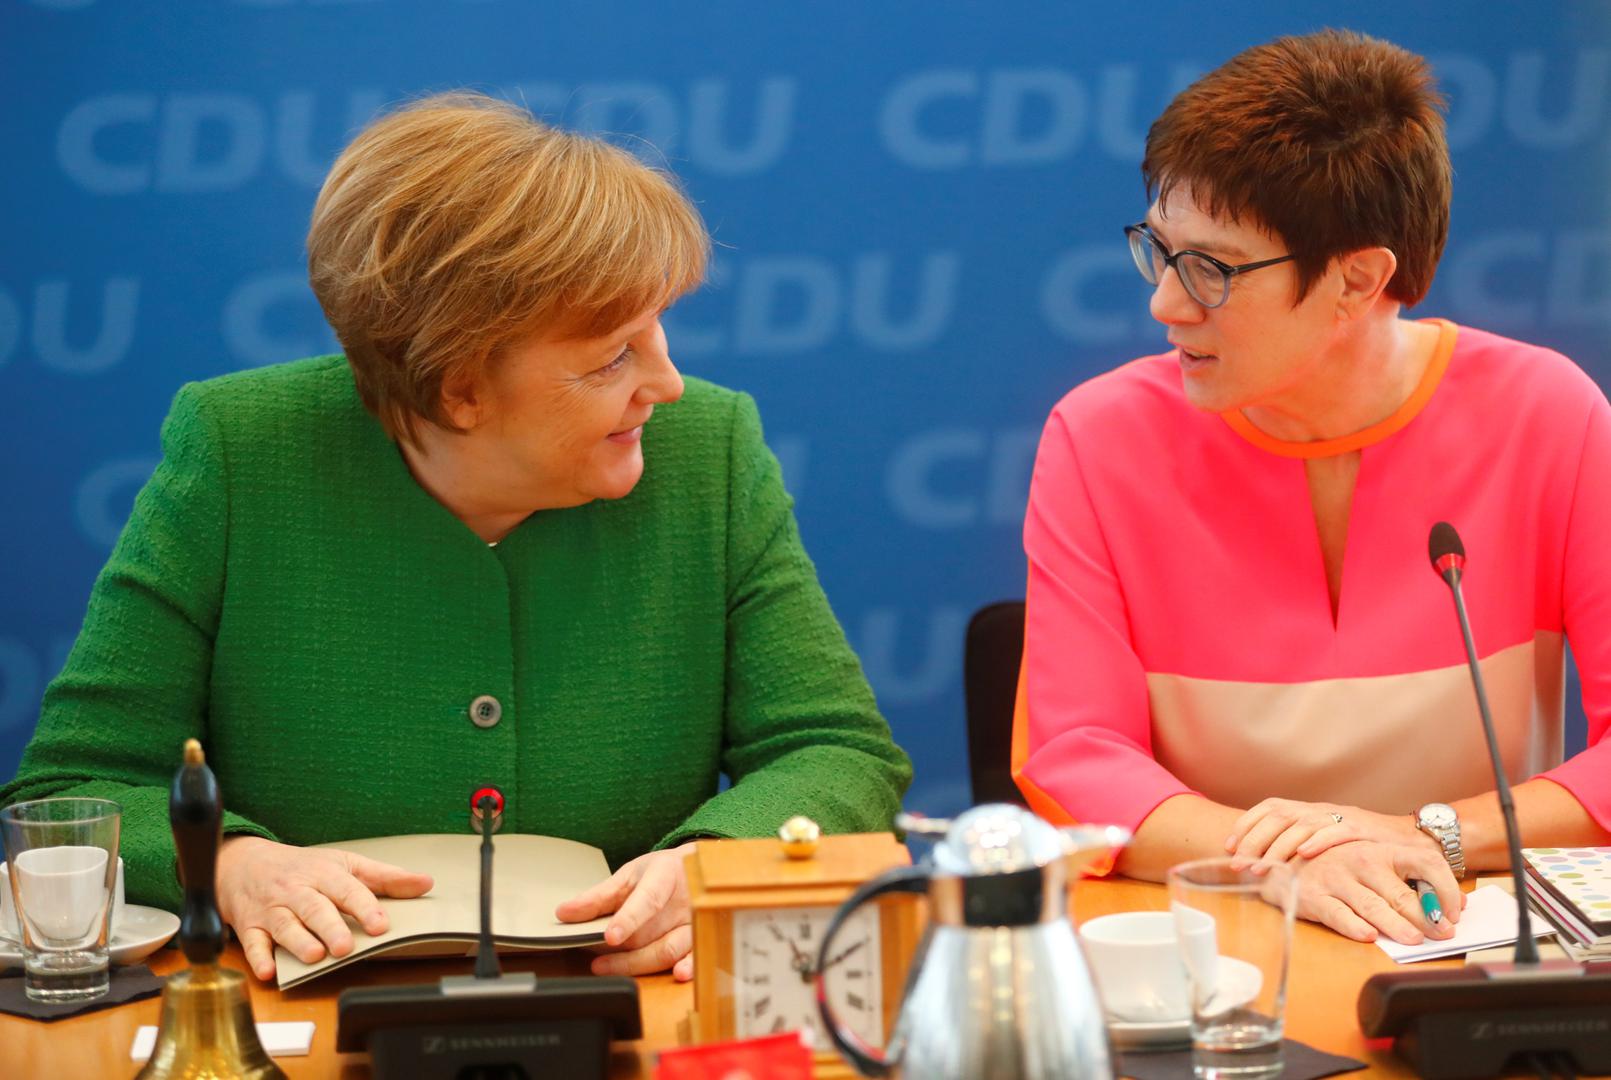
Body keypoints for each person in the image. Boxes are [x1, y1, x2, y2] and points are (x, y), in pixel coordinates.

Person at [1, 92, 911, 983]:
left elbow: (834, 753)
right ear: (458, 388)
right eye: (611, 357)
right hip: (310, 1008)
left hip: (624, 996)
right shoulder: (240, 450)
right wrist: (230, 865)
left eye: (658, 331)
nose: (666, 384)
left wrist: (715, 861)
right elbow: (70, 794)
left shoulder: (710, 448)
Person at [1012, 30, 1611, 947]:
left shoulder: (1546, 416)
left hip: (1458, 938)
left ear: (1356, 280)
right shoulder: (1099, 437)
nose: (1165, 303)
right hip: (1212, 943)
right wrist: (1288, 862)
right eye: (1159, 251)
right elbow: (1073, 757)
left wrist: (1428, 835)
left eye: (1211, 269)